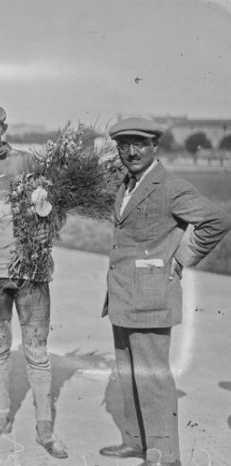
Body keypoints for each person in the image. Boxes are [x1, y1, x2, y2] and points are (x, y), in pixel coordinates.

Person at [99, 117, 230, 466]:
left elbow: (217, 220)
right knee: (128, 371)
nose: (131, 151)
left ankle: (164, 455)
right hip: (124, 295)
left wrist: (182, 257)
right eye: (124, 145)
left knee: (153, 377)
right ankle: (135, 442)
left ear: (155, 146)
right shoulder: (128, 184)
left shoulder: (169, 186)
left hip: (151, 296)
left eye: (139, 143)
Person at [0, 102, 68, 459]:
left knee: (36, 351)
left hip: (29, 273)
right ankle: (0, 416)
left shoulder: (26, 162)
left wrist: (43, 236)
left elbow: (53, 210)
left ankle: (44, 425)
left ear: (3, 128)